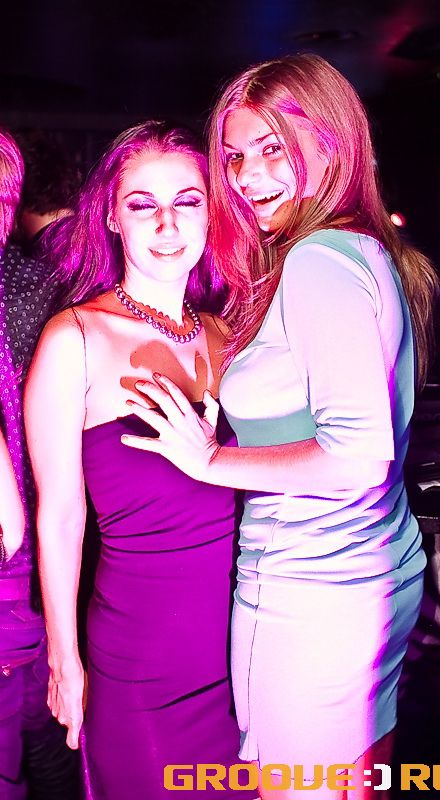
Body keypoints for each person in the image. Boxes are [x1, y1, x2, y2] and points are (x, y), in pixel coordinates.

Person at [120, 55, 440, 799]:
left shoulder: (319, 260)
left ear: (334, 143)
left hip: (313, 593)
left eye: (274, 149)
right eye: (234, 156)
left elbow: (358, 455)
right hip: (366, 576)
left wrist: (210, 460)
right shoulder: (359, 248)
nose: (249, 176)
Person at [24, 121, 247, 800]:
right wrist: (64, 660)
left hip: (246, 651)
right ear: (112, 218)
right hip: (142, 662)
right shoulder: (75, 338)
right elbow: (60, 518)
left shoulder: (227, 334)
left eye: (187, 200)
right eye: (143, 204)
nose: (168, 223)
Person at [0, 127, 80, 800]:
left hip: (30, 571)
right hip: (22, 564)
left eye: (5, 198)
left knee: (47, 744)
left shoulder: (27, 287)